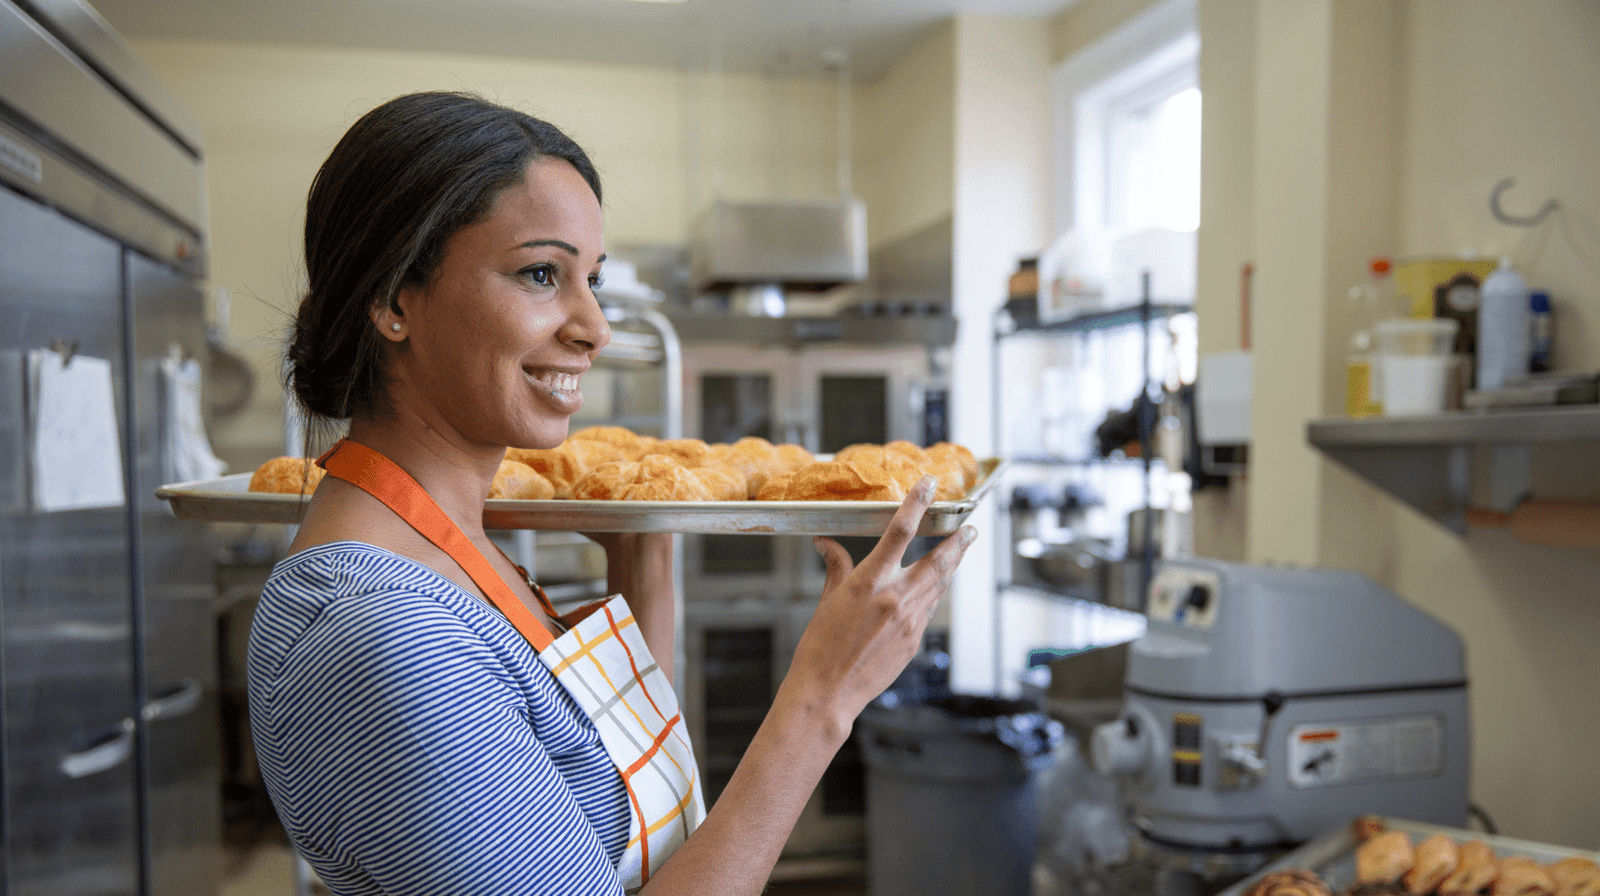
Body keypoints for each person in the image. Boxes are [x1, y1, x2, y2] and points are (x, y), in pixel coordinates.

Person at [248, 90, 977, 896]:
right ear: (393, 299)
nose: (594, 327)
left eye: (590, 280)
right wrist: (822, 699)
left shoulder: (449, 550)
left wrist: (644, 544)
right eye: (539, 273)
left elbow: (603, 810)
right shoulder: (378, 627)